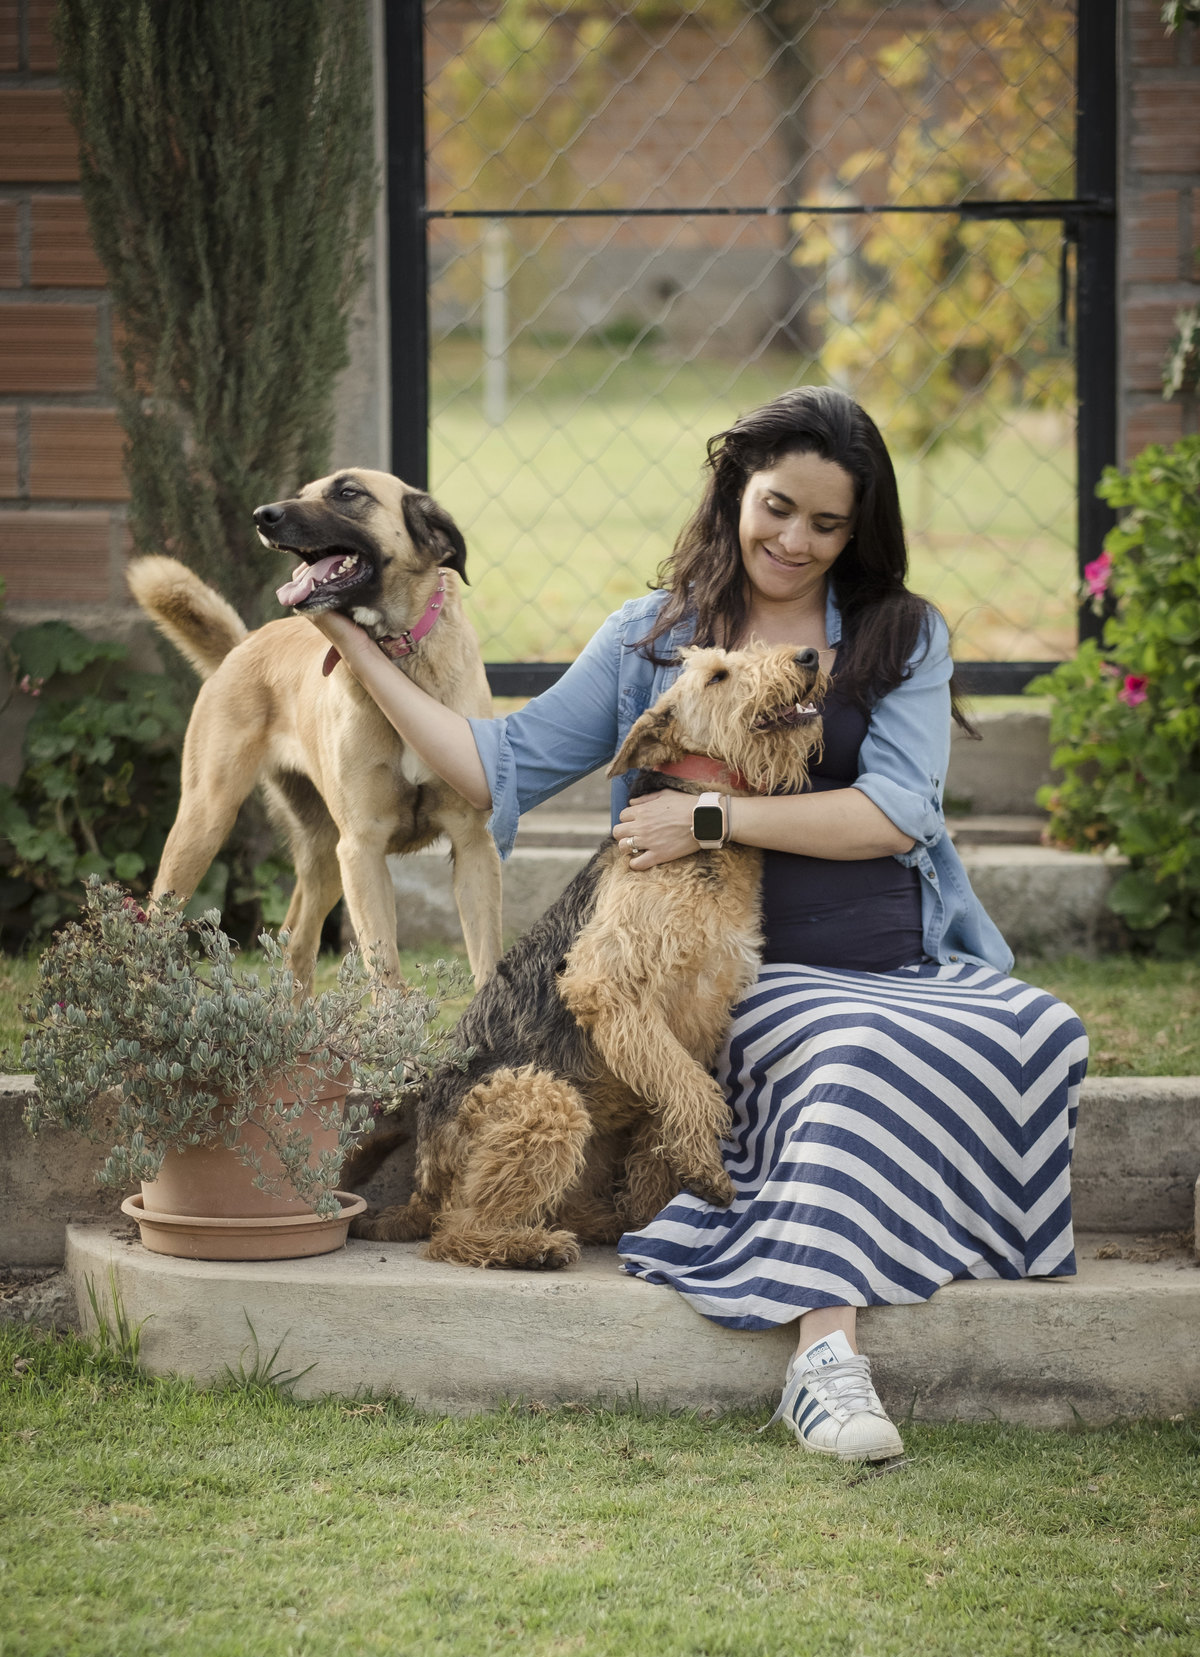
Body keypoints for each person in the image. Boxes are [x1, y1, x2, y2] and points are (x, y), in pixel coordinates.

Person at [308, 387, 1089, 1465]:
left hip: (907, 957)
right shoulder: (655, 636)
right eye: (778, 507)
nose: (796, 541)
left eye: (828, 524)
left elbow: (901, 812)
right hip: (757, 980)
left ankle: (954, 1228)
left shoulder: (899, 633)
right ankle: (825, 1360)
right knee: (848, 1056)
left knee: (1035, 1027)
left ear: (858, 531)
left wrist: (713, 813)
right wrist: (360, 647)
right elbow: (498, 766)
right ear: (736, 494)